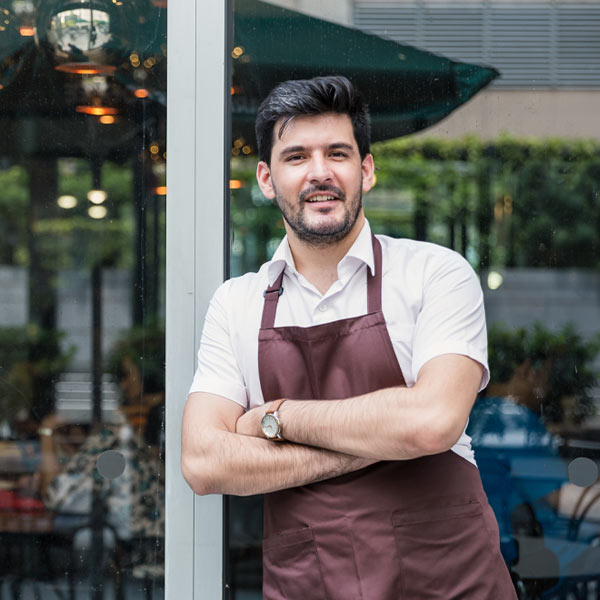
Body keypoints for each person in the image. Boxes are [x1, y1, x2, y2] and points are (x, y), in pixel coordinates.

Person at [182, 75, 516, 599]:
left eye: (337, 153)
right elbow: (203, 462)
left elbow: (432, 423)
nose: (320, 173)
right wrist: (383, 439)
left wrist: (277, 418)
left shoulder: (435, 274)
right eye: (296, 157)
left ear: (365, 170)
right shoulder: (237, 303)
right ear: (267, 179)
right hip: (310, 577)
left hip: (446, 578)